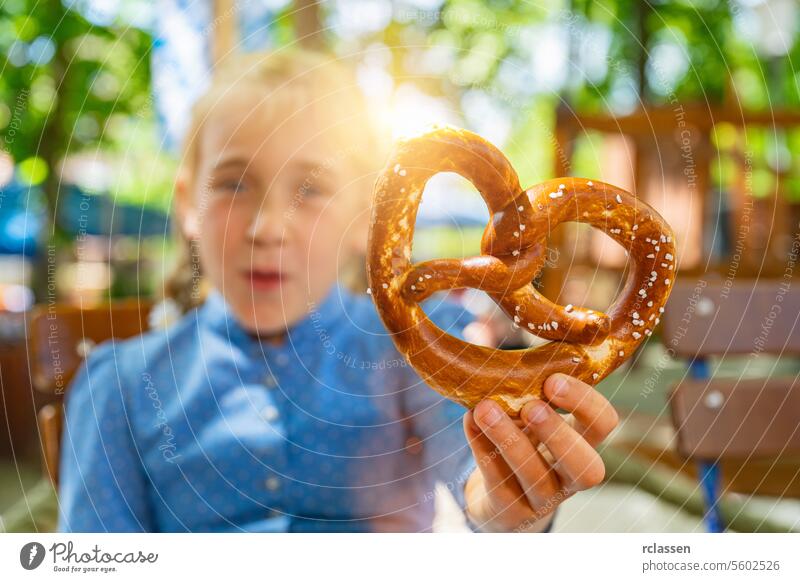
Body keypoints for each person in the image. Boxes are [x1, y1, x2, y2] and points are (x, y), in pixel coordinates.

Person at [57, 49, 618, 533]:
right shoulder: (118, 390)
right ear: (187, 206)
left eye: (312, 190)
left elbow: (481, 488)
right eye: (234, 184)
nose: (268, 228)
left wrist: (516, 500)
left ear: (364, 221)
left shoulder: (416, 348)